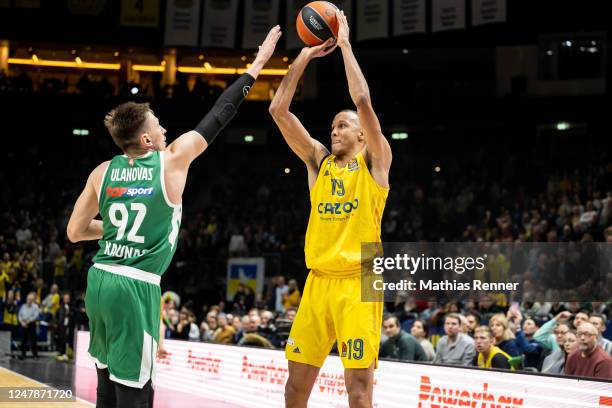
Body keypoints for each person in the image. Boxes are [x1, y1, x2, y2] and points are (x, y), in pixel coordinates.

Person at [66, 27, 281, 408]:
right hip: (136, 284)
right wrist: (259, 63)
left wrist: (116, 232)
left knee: (105, 386)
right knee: (136, 391)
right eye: (158, 126)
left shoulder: (101, 172)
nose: (165, 129)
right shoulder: (171, 159)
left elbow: (75, 231)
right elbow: (220, 114)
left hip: (99, 280)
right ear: (147, 140)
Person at [269, 10, 392, 408]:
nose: (333, 130)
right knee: (295, 386)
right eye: (332, 126)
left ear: (361, 133)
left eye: (342, 125)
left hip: (362, 276)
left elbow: (361, 100)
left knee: (358, 389)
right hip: (319, 278)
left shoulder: (375, 162)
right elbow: (278, 111)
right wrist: (303, 58)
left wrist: (344, 46)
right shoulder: (318, 162)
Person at [18, 292, 39, 360]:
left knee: (33, 340)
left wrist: (28, 321)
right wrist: (22, 322)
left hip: (31, 324)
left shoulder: (35, 307)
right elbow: (19, 315)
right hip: (24, 324)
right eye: (28, 299)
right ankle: (23, 354)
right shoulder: (23, 306)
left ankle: (35, 355)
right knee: (23, 340)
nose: (29, 301)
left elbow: (35, 316)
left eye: (31, 299)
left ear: (32, 300)